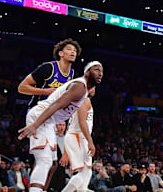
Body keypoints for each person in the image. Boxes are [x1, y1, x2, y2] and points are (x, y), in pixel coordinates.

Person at [18, 62, 103, 192]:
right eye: (96, 70)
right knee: (44, 161)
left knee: (52, 164)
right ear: (87, 72)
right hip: (42, 116)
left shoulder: (83, 91)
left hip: (49, 120)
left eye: (102, 71)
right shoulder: (80, 87)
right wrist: (35, 125)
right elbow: (56, 105)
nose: (100, 73)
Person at [18, 39, 81, 192]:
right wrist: (45, 91)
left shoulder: (73, 76)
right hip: (38, 112)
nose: (73, 52)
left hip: (51, 118)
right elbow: (22, 87)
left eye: (75, 50)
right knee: (44, 160)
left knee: (52, 164)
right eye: (69, 49)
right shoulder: (48, 68)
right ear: (60, 53)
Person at [60, 88, 96, 192]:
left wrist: (66, 152)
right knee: (84, 171)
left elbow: (70, 126)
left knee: (87, 171)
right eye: (91, 86)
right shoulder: (84, 100)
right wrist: (90, 142)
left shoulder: (78, 101)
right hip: (78, 136)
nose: (93, 89)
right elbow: (81, 122)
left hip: (77, 136)